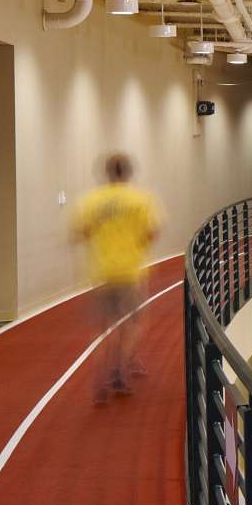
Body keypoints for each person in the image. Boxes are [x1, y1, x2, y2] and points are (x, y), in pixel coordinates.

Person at [70, 154, 164, 399]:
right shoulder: (142, 200)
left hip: (101, 273)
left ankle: (100, 377)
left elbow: (81, 233)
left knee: (101, 329)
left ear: (106, 173)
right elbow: (152, 233)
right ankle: (120, 368)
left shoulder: (91, 201)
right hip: (131, 272)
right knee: (132, 326)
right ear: (129, 173)